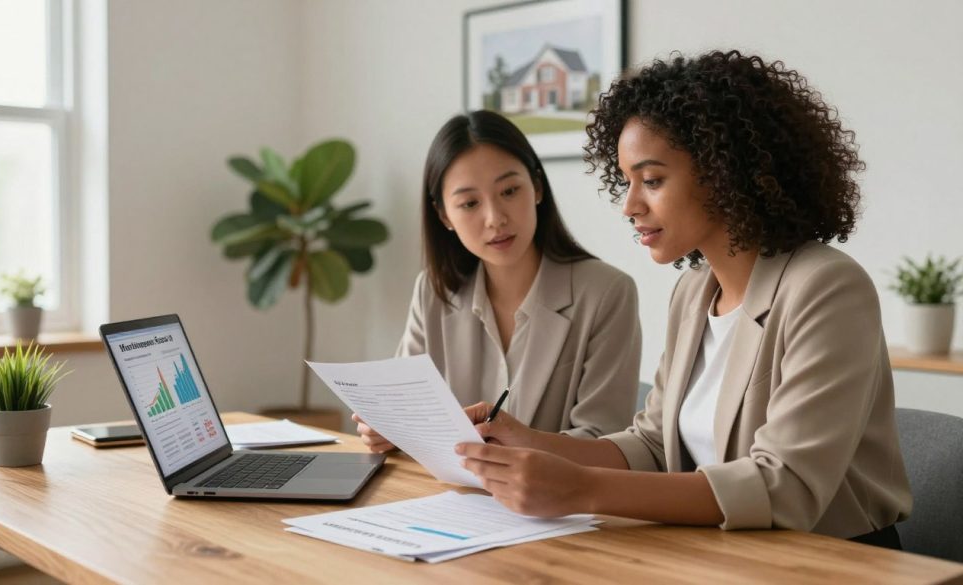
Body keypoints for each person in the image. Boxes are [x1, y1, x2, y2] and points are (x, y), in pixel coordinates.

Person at [456, 51, 911, 548]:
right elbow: (653, 444)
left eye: (651, 181)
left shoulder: (827, 287)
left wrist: (581, 489)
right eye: (627, 181)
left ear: (724, 172)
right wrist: (532, 442)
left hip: (835, 561)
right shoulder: (694, 292)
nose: (630, 206)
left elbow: (785, 488)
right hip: (726, 554)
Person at [354, 110, 642, 452]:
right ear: (445, 215)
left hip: (553, 502)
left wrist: (513, 448)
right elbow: (405, 409)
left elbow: (604, 442)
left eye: (509, 191)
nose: (495, 218)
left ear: (536, 188)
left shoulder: (606, 293)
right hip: (450, 496)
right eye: (470, 203)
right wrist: (387, 428)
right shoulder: (433, 291)